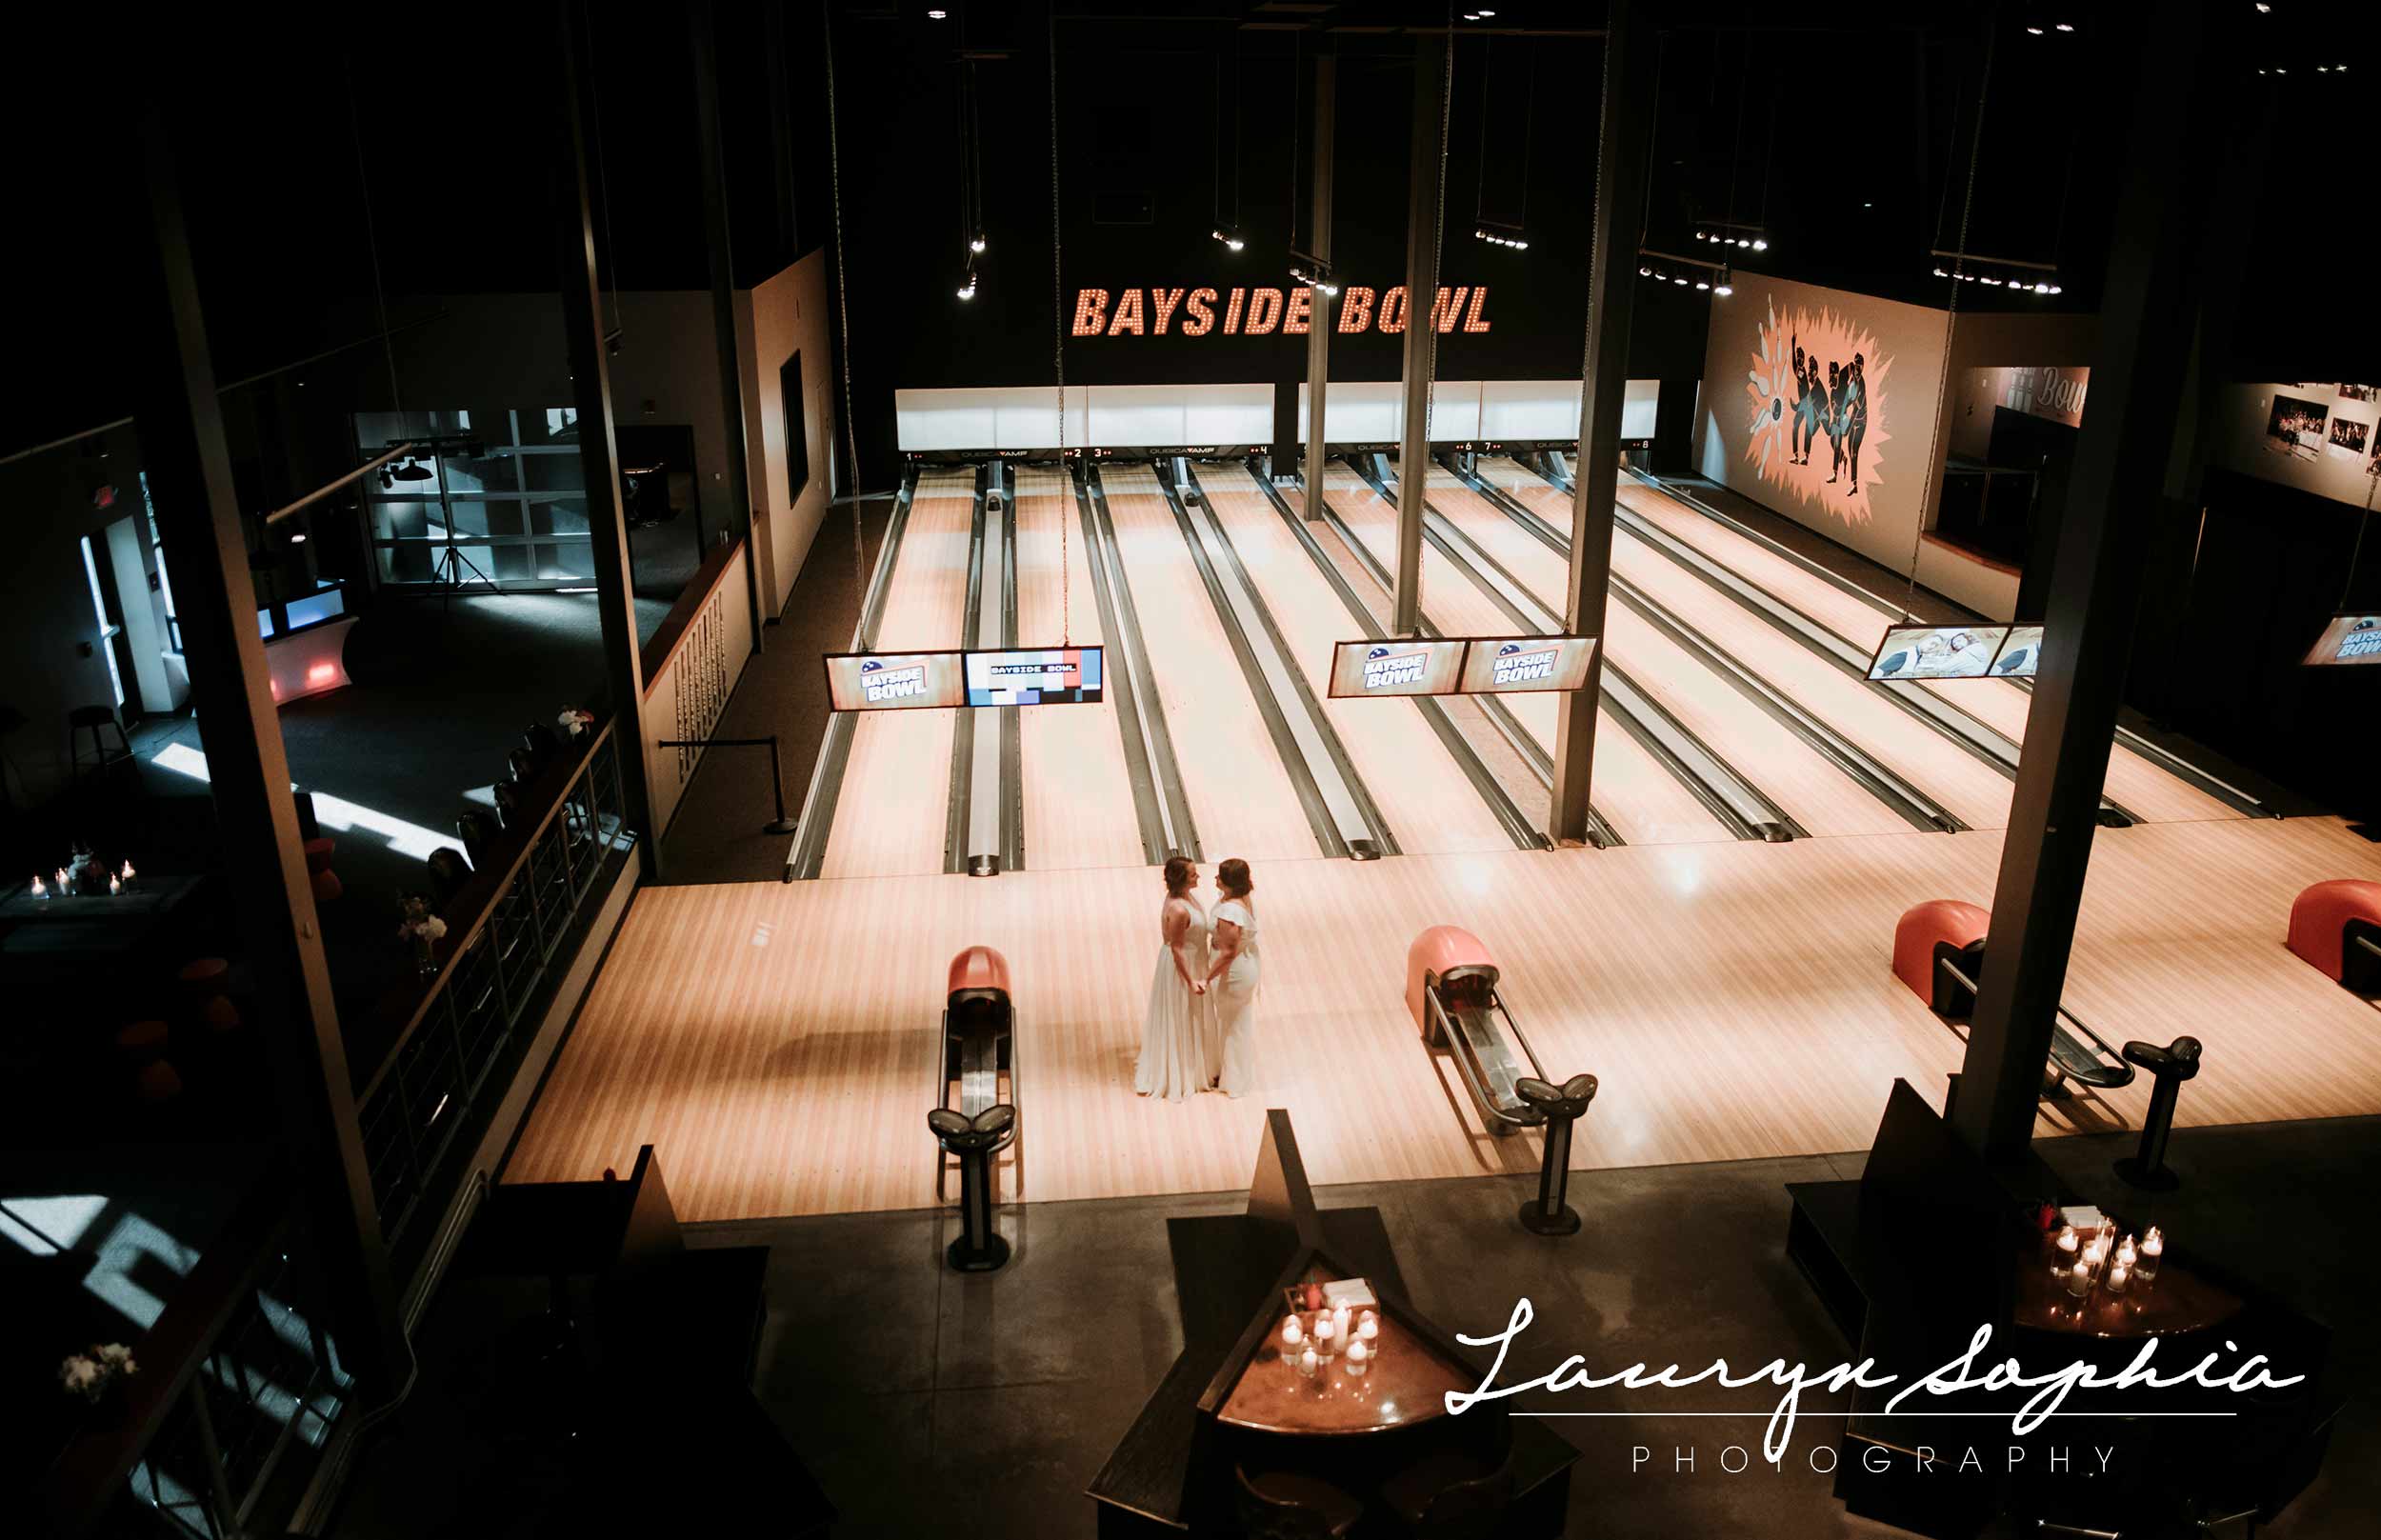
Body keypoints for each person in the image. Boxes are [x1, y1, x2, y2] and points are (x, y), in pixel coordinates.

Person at [1134, 856, 1210, 1101]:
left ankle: (1197, 1065)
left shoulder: (1186, 897)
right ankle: (1182, 1072)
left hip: (1193, 959)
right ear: (1181, 879)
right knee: (1180, 1016)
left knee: (1188, 1017)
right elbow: (1177, 948)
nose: (1198, 877)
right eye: (1192, 874)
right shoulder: (1178, 908)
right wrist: (1190, 981)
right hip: (1182, 966)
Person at [1203, 858, 1261, 1098]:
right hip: (1244, 964)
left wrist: (1206, 978)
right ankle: (1232, 1073)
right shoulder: (1242, 898)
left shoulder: (1230, 912)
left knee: (1232, 1025)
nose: (1215, 879)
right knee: (1235, 1022)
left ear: (1229, 882)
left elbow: (1227, 953)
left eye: (1219, 876)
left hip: (1232, 973)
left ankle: (1234, 1080)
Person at [1842, 353, 1869, 497]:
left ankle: (1854, 485)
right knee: (1850, 451)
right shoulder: (1853, 378)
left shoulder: (1861, 384)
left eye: (1860, 365)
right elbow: (1848, 399)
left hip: (1861, 421)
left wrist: (1847, 427)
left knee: (1854, 452)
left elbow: (1857, 408)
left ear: (1862, 366)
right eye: (1856, 364)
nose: (1857, 368)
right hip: (1853, 419)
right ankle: (1854, 483)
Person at [1823, 361, 1847, 484]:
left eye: (1832, 374)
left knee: (1837, 444)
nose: (1830, 377)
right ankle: (1843, 458)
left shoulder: (1843, 382)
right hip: (1835, 420)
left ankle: (1834, 474)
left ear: (1836, 374)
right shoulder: (1833, 392)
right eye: (1829, 374)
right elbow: (1834, 409)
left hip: (1842, 421)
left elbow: (1851, 366)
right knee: (1832, 441)